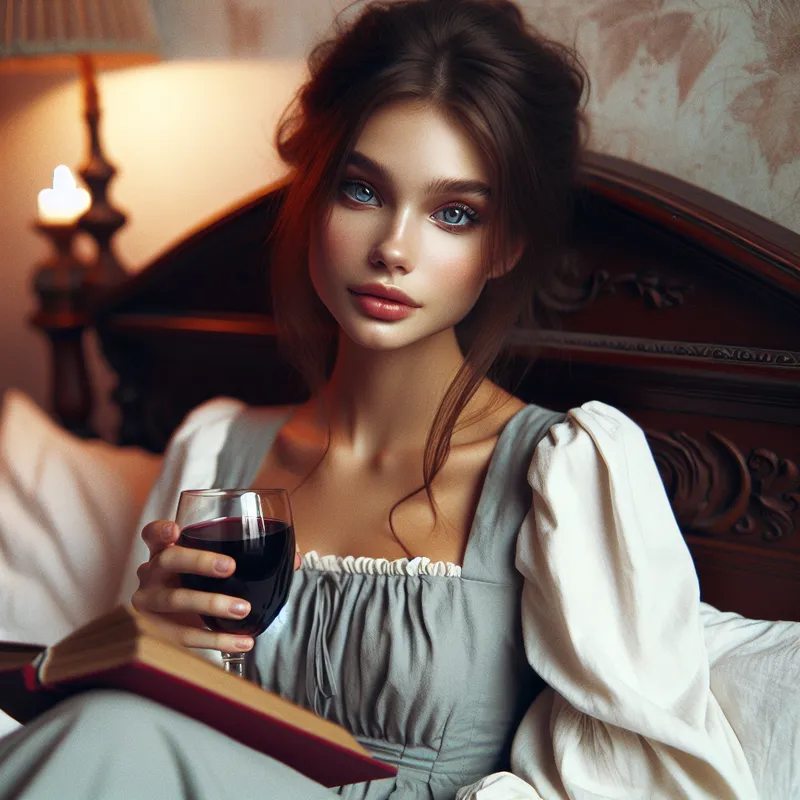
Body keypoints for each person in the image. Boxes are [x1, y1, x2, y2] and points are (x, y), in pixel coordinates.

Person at [0, 0, 771, 797]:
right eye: (363, 192)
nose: (394, 250)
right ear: (311, 199)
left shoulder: (566, 477)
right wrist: (150, 639)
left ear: (504, 245)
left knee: (108, 733)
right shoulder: (217, 457)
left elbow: (641, 780)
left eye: (453, 214)